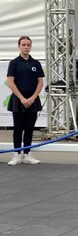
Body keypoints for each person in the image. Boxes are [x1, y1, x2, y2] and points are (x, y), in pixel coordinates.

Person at [6, 36, 44, 166]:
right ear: (19, 46)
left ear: (31, 46)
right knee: (18, 128)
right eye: (23, 45)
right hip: (18, 99)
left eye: (28, 45)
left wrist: (32, 98)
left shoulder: (36, 63)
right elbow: (10, 82)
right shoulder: (14, 63)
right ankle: (17, 154)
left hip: (32, 99)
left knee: (29, 128)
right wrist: (22, 98)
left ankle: (27, 154)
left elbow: (40, 82)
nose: (26, 47)